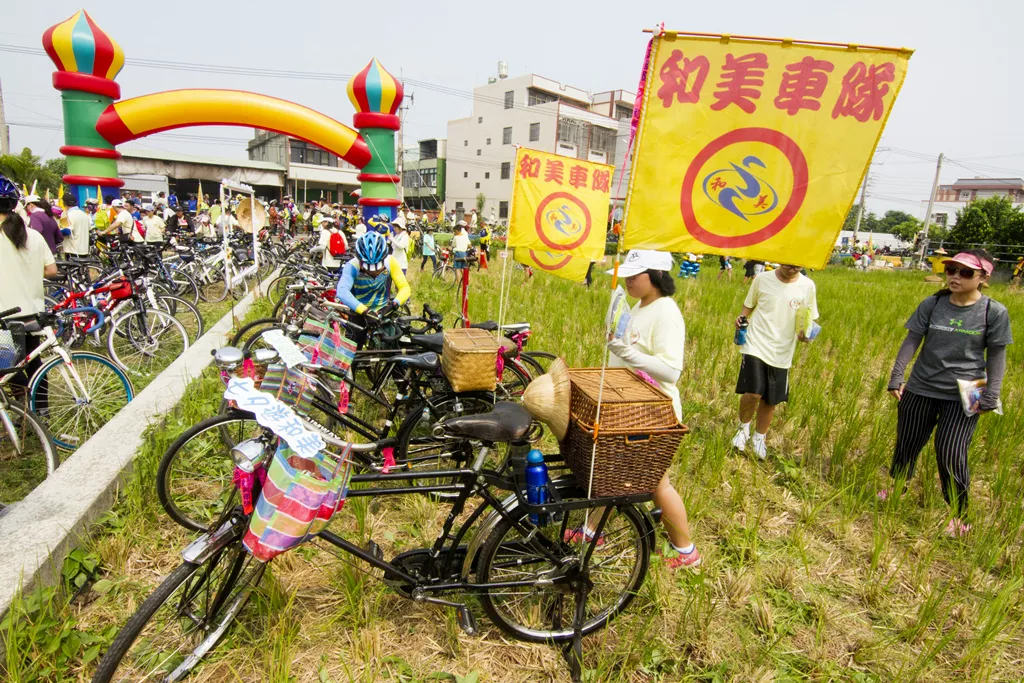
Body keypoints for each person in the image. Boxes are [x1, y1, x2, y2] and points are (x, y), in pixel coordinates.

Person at [574, 250, 701, 568]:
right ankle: (591, 531)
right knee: (614, 473)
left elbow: (671, 371)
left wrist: (627, 353)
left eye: (635, 274)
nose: (629, 280)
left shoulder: (666, 312)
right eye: (627, 275)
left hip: (655, 412)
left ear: (657, 275)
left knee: (657, 483)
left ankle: (685, 550)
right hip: (630, 408)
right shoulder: (639, 306)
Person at [883, 250, 1012, 537]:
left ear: (983, 278)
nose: (955, 276)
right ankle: (898, 486)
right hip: (921, 387)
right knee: (907, 443)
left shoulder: (993, 312)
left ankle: (960, 516)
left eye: (965, 272)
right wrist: (897, 376)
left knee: (951, 452)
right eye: (951, 269)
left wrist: (992, 393)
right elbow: (912, 340)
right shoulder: (933, 304)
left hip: (965, 395)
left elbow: (997, 355)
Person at [731, 263, 819, 460]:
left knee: (770, 400)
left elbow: (809, 318)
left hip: (783, 350)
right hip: (756, 342)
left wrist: (806, 335)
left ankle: (759, 437)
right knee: (753, 392)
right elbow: (748, 305)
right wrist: (742, 318)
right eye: (789, 265)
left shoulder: (807, 286)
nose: (792, 270)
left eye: (797, 267)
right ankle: (742, 429)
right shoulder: (762, 279)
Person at [0, 177, 57, 396]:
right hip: (33, 312)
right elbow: (51, 271)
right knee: (34, 363)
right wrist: (28, 270)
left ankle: (24, 404)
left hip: (6, 315)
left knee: (8, 367)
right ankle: (40, 408)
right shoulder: (33, 235)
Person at [335, 231, 411, 348]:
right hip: (358, 312)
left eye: (378, 269)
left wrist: (393, 305)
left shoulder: (390, 262)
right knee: (352, 352)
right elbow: (342, 291)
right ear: (360, 261)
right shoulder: (352, 266)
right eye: (368, 269)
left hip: (383, 311)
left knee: (389, 350)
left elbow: (405, 288)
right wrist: (365, 311)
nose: (374, 272)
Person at [62, 193, 91, 258]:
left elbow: (67, 231)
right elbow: (89, 229)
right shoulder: (84, 215)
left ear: (64, 203)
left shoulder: (68, 215)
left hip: (72, 250)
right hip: (84, 250)